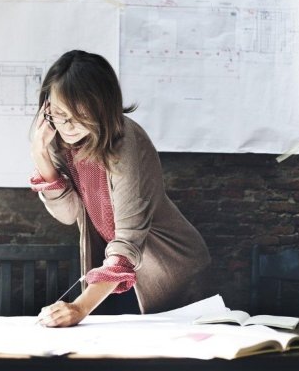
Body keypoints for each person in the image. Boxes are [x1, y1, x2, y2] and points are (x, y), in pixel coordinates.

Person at [30, 50, 210, 327]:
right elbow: (69, 214)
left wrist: (78, 308)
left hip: (168, 268)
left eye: (79, 115)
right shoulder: (58, 140)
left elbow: (127, 240)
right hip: (112, 270)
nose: (67, 126)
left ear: (102, 107)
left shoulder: (125, 141)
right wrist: (40, 154)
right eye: (58, 113)